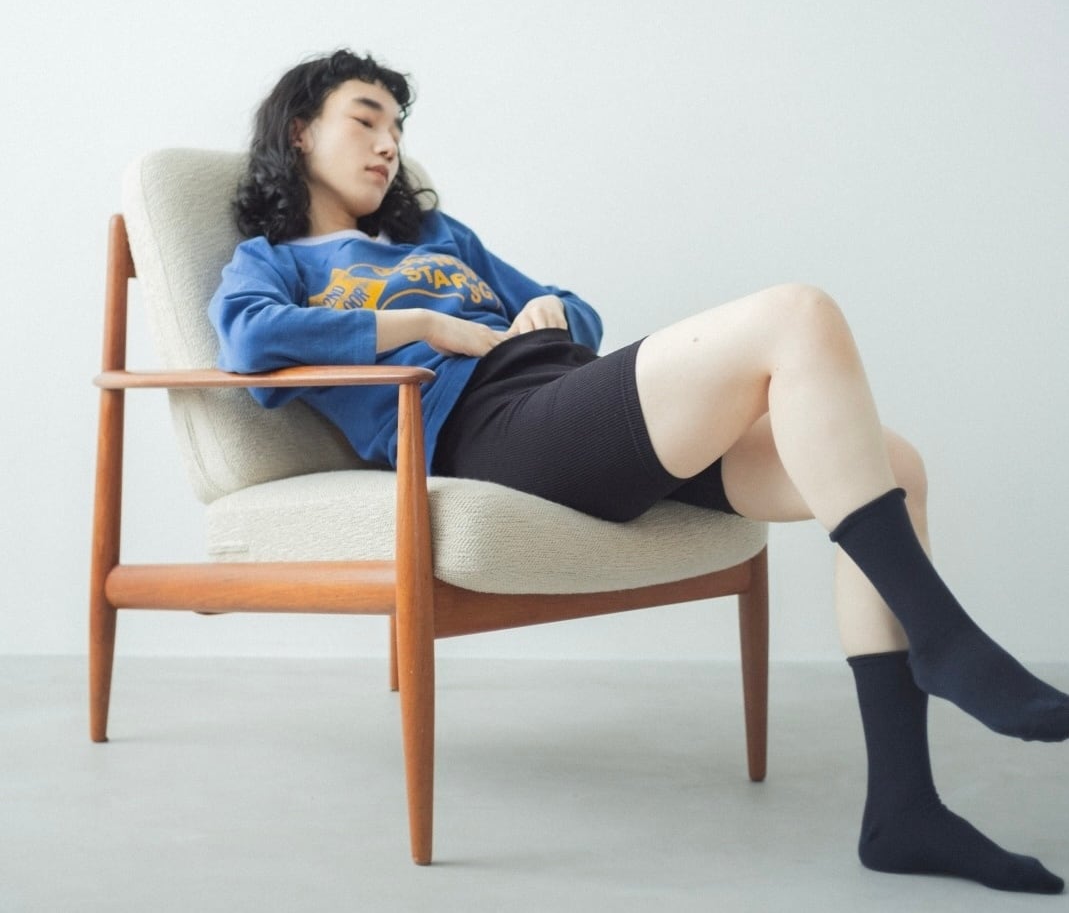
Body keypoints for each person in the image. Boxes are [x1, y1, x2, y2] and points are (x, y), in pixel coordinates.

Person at [209, 49, 1067, 893]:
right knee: (797, 314)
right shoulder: (275, 261)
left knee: (896, 465)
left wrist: (550, 307)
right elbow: (248, 340)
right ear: (300, 131)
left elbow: (574, 310)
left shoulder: (437, 238)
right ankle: (943, 638)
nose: (388, 143)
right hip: (485, 431)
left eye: (397, 128)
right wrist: (424, 326)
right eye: (366, 120)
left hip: (562, 398)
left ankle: (903, 811)